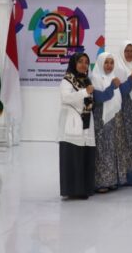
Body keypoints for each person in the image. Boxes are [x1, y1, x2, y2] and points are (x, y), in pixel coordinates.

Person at [58, 53, 96, 199]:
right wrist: (84, 92)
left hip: (86, 122)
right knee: (73, 156)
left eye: (86, 62)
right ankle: (72, 190)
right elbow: (65, 98)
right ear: (74, 63)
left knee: (84, 155)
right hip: (72, 122)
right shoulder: (67, 80)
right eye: (80, 61)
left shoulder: (87, 80)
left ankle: (84, 189)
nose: (83, 65)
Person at [90, 52, 126, 192]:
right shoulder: (94, 78)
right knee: (103, 149)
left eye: (111, 63)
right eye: (106, 62)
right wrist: (112, 87)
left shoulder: (113, 77)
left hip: (115, 118)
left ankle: (112, 180)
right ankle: (101, 182)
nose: (109, 65)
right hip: (102, 119)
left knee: (114, 148)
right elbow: (100, 97)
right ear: (100, 63)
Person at [114, 41, 132, 185]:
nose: (130, 53)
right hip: (124, 110)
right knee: (125, 142)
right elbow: (121, 91)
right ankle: (125, 176)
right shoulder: (118, 68)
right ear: (122, 52)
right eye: (127, 51)